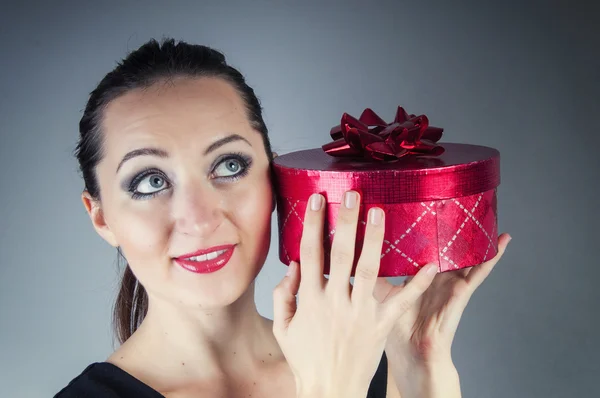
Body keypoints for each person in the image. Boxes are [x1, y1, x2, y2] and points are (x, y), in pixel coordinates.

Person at [55, 38, 511, 398]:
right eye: (150, 181)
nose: (199, 217)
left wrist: (421, 366)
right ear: (101, 218)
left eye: (229, 165)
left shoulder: (369, 359)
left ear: (274, 180)